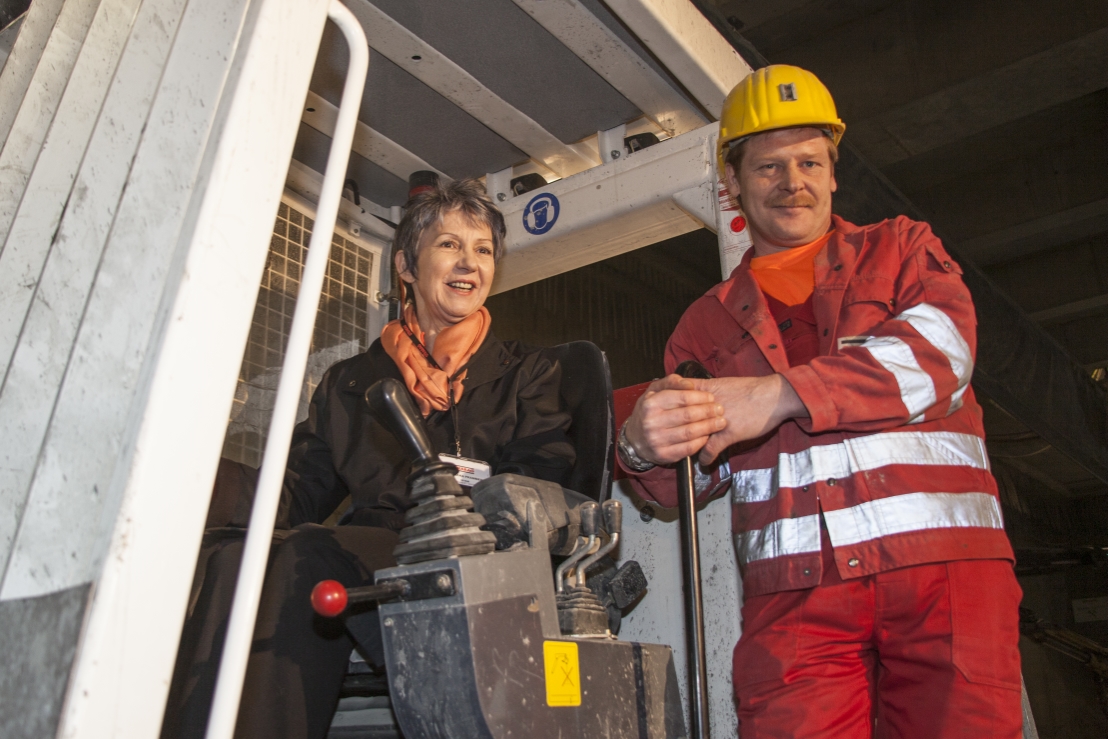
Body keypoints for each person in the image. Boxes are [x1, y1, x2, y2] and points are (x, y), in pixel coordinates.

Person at [618, 65, 1021, 737]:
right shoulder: (703, 325)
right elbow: (680, 483)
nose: (792, 181)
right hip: (797, 604)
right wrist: (640, 445)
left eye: (810, 161)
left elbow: (943, 353)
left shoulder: (901, 250)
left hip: (943, 580)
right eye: (769, 167)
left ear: (835, 173)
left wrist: (777, 394)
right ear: (733, 185)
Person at [163, 178, 575, 739]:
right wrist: (190, 479)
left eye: (483, 250)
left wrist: (484, 508)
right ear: (406, 266)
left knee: (307, 554)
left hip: (474, 561)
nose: (470, 263)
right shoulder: (351, 382)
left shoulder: (529, 373)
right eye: (450, 245)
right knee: (235, 556)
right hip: (375, 553)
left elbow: (546, 479)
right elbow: (296, 493)